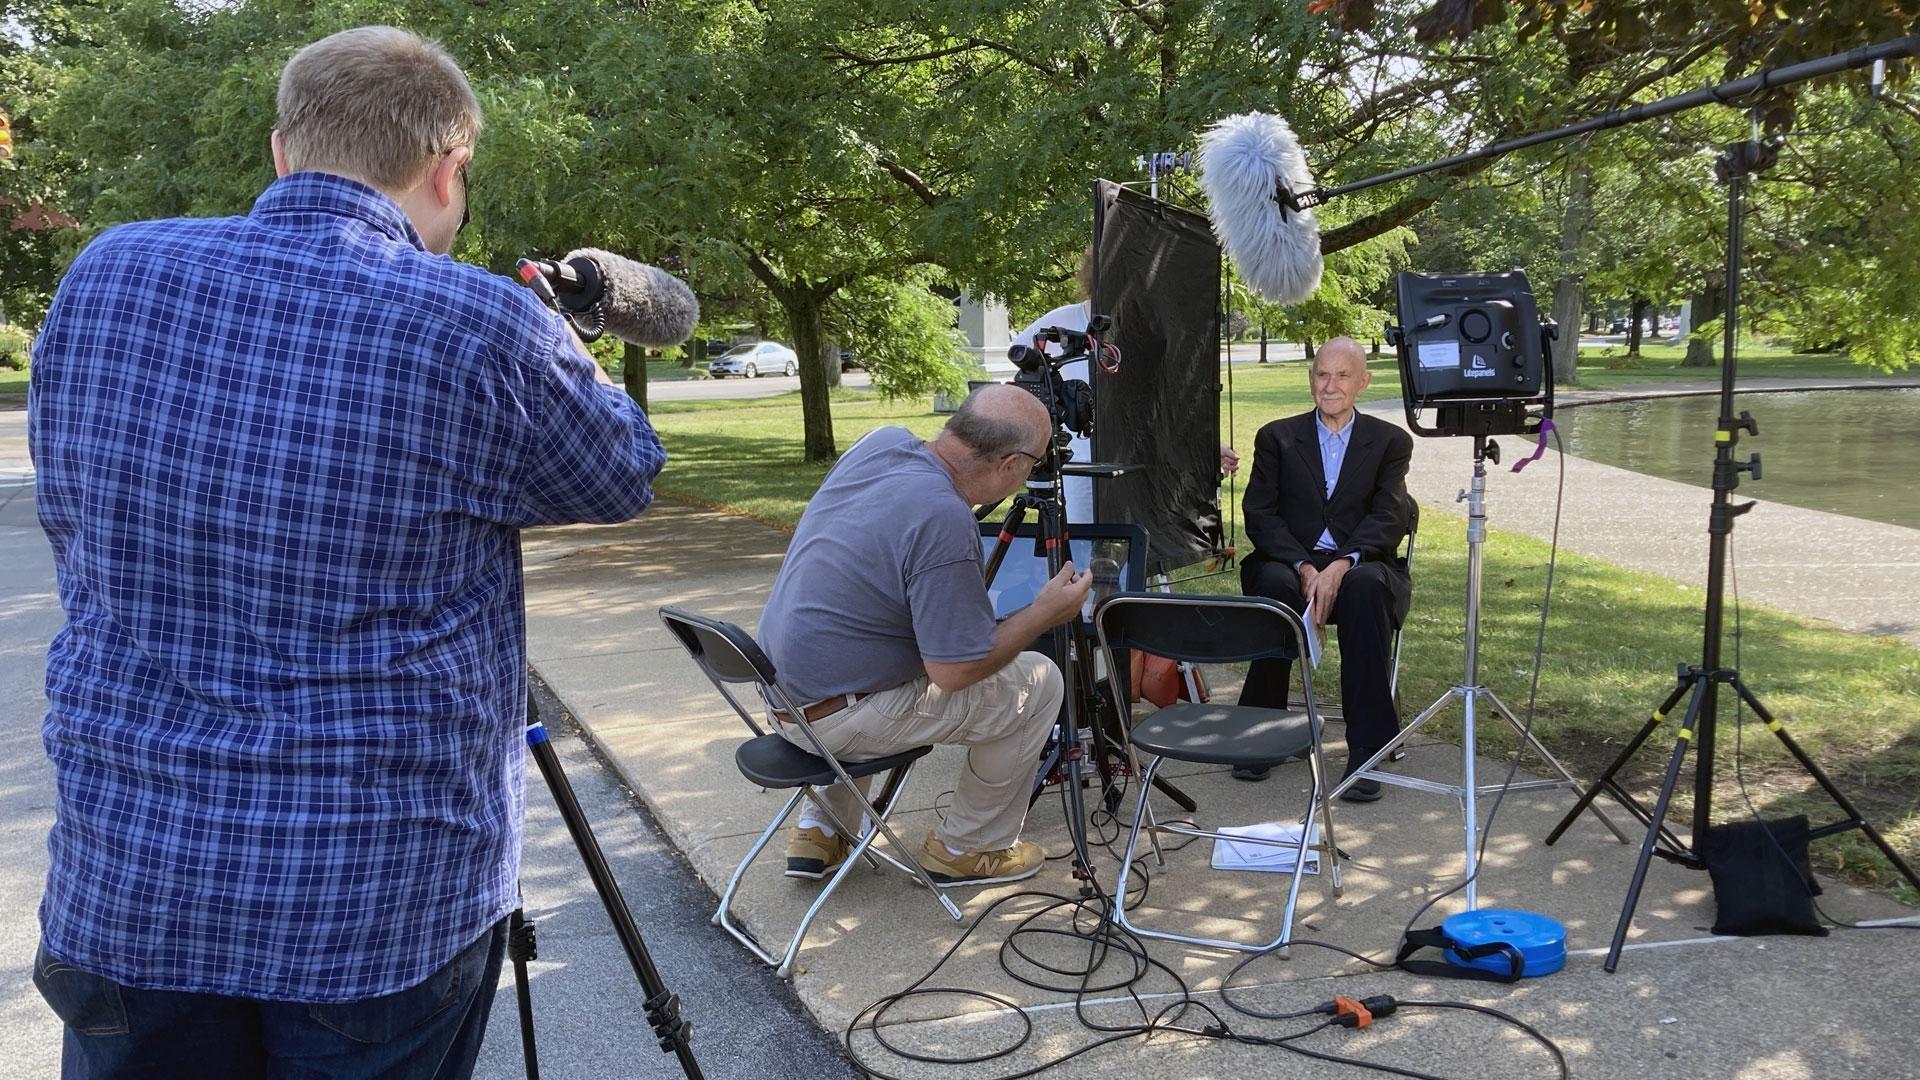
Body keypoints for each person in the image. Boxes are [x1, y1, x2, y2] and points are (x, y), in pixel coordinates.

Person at [28, 27, 666, 1079]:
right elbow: (620, 475)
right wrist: (569, 343)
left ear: (284, 151)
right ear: (449, 168)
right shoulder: (485, 324)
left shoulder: (108, 273)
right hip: (374, 900)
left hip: (131, 873)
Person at [757, 385, 1091, 887]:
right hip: (838, 720)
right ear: (1012, 464)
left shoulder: (881, 444)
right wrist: (1045, 612)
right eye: (1038, 462)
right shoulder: (943, 517)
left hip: (781, 695)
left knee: (870, 649)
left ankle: (820, 828)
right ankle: (969, 849)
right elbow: (954, 671)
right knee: (1039, 679)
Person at [1236, 337, 1414, 799]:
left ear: (1363, 383)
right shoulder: (1277, 436)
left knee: (1366, 589)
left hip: (1361, 562)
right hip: (1286, 559)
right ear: (1310, 378)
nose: (1330, 385)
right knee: (1274, 588)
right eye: (1321, 374)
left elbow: (1389, 516)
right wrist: (1302, 564)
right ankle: (1260, 737)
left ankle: (1368, 754)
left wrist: (1340, 564)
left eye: (1342, 376)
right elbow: (1260, 513)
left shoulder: (1391, 442)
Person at [1011, 247, 1239, 525]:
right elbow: (1023, 368)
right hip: (1077, 469)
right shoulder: (1060, 321)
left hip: (1137, 470)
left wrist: (1207, 449)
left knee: (1131, 554)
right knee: (1081, 553)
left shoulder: (1147, 333)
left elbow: (1165, 407)